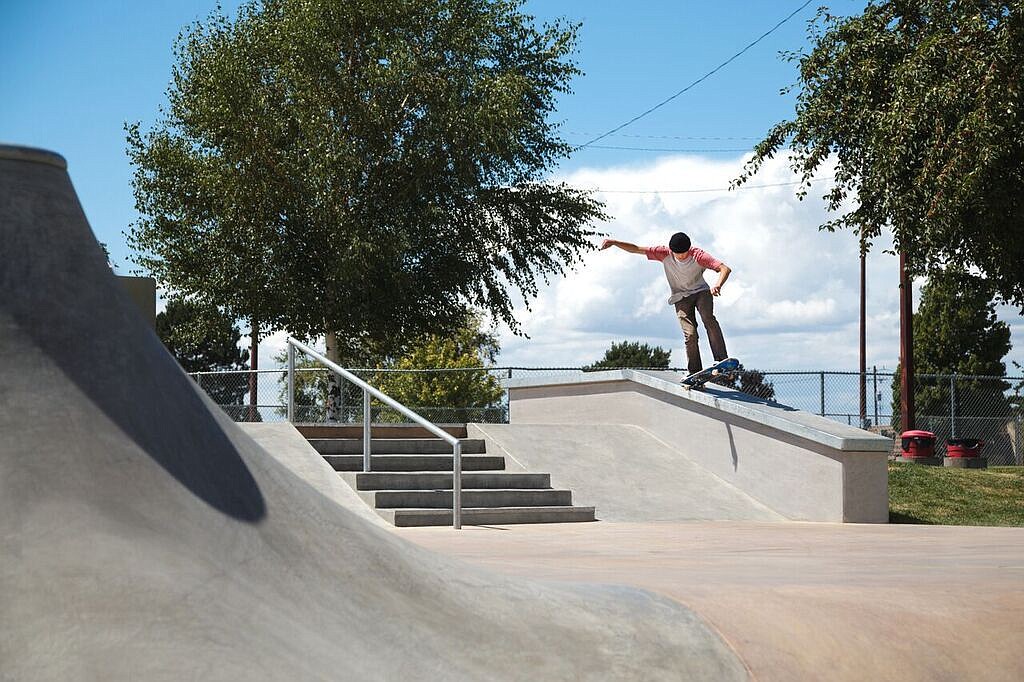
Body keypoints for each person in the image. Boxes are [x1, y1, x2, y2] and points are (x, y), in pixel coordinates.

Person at [600, 232, 731, 375]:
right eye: (677, 254)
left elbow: (724, 268)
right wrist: (614, 242)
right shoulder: (663, 253)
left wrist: (718, 284)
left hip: (701, 292)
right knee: (690, 334)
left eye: (684, 254)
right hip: (680, 298)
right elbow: (637, 249)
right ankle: (694, 372)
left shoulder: (699, 255)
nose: (681, 257)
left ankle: (721, 359)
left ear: (689, 249)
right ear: (671, 250)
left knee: (708, 318)